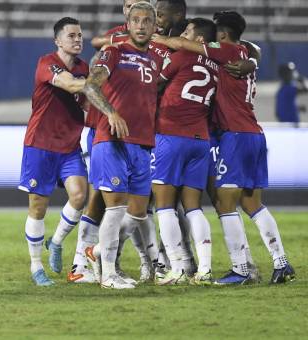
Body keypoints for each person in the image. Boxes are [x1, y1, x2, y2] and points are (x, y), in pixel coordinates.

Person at [152, 10, 296, 285]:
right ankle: (281, 262)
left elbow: (182, 45)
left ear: (223, 35)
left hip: (233, 135)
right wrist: (252, 62)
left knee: (224, 202)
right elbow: (255, 50)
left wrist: (155, 37)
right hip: (254, 133)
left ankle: (241, 269)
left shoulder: (224, 50)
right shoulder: (244, 52)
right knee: (253, 203)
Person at [76, 0, 161, 285]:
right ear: (128, 23)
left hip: (142, 143)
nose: (140, 25)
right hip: (111, 141)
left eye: (146, 21)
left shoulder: (155, 59)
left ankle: (97, 251)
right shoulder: (113, 52)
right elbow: (90, 85)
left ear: (154, 25)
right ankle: (109, 275)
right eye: (135, 20)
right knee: (114, 209)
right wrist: (111, 112)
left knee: (137, 214)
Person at [19, 17, 89, 286]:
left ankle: (57, 241)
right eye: (71, 36)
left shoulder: (84, 68)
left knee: (80, 196)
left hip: (70, 146)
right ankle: (37, 267)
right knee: (38, 207)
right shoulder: (46, 63)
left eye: (80, 35)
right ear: (58, 41)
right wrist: (102, 79)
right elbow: (71, 85)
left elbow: (86, 104)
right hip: (40, 145)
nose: (78, 39)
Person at [151, 18, 218, 285]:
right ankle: (205, 269)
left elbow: (155, 84)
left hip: (170, 135)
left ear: (199, 40)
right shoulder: (217, 65)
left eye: (187, 32)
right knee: (193, 207)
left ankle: (177, 269)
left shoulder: (182, 56)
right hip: (200, 139)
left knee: (164, 206)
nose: (181, 36)